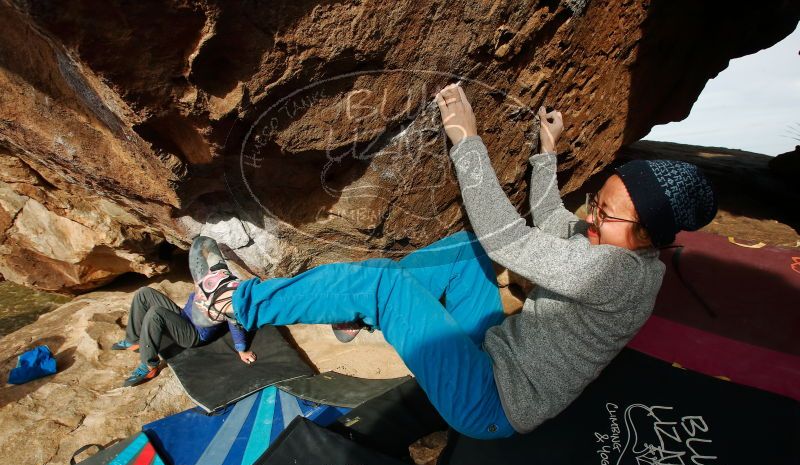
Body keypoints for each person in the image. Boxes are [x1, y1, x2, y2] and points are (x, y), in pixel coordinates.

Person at [198, 83, 717, 440]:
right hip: (493, 352)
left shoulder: (619, 274)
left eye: (607, 214)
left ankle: (236, 301)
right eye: (597, 204)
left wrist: (467, 141)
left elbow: (510, 239)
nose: (593, 218)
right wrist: (547, 151)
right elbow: (552, 217)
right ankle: (352, 307)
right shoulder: (612, 244)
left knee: (384, 286)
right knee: (469, 251)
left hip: (491, 402)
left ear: (650, 235)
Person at [113, 272, 256, 388]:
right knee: (144, 292)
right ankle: (134, 339)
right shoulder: (213, 280)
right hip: (184, 316)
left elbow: (234, 322)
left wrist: (241, 350)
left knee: (155, 314)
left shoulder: (227, 299)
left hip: (193, 334)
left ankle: (149, 364)